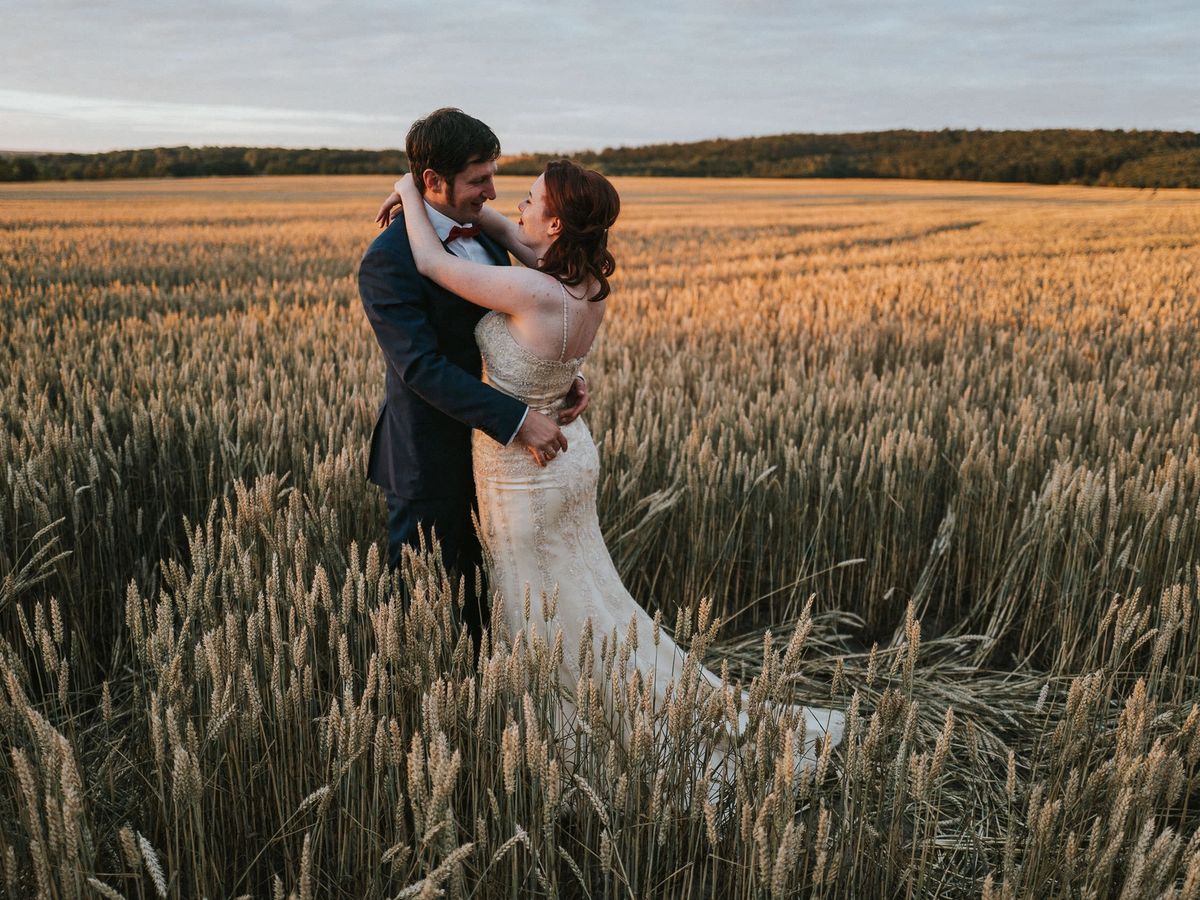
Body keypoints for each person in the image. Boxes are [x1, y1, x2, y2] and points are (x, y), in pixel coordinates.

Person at [376, 157, 845, 773]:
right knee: (585, 596)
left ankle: (579, 746)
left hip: (530, 465)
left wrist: (410, 190)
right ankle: (640, 709)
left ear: (556, 226)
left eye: (530, 201)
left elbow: (435, 263)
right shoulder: (580, 282)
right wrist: (559, 377)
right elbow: (500, 233)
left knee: (543, 608)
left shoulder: (537, 288)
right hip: (563, 454)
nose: (514, 207)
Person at [358, 108, 589, 655]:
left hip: (498, 466)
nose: (492, 191)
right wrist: (517, 421)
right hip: (430, 459)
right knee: (422, 617)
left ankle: (490, 722)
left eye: (493, 174)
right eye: (478, 179)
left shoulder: (486, 237)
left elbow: (527, 322)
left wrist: (560, 376)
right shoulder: (387, 261)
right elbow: (420, 368)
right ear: (433, 182)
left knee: (491, 612)